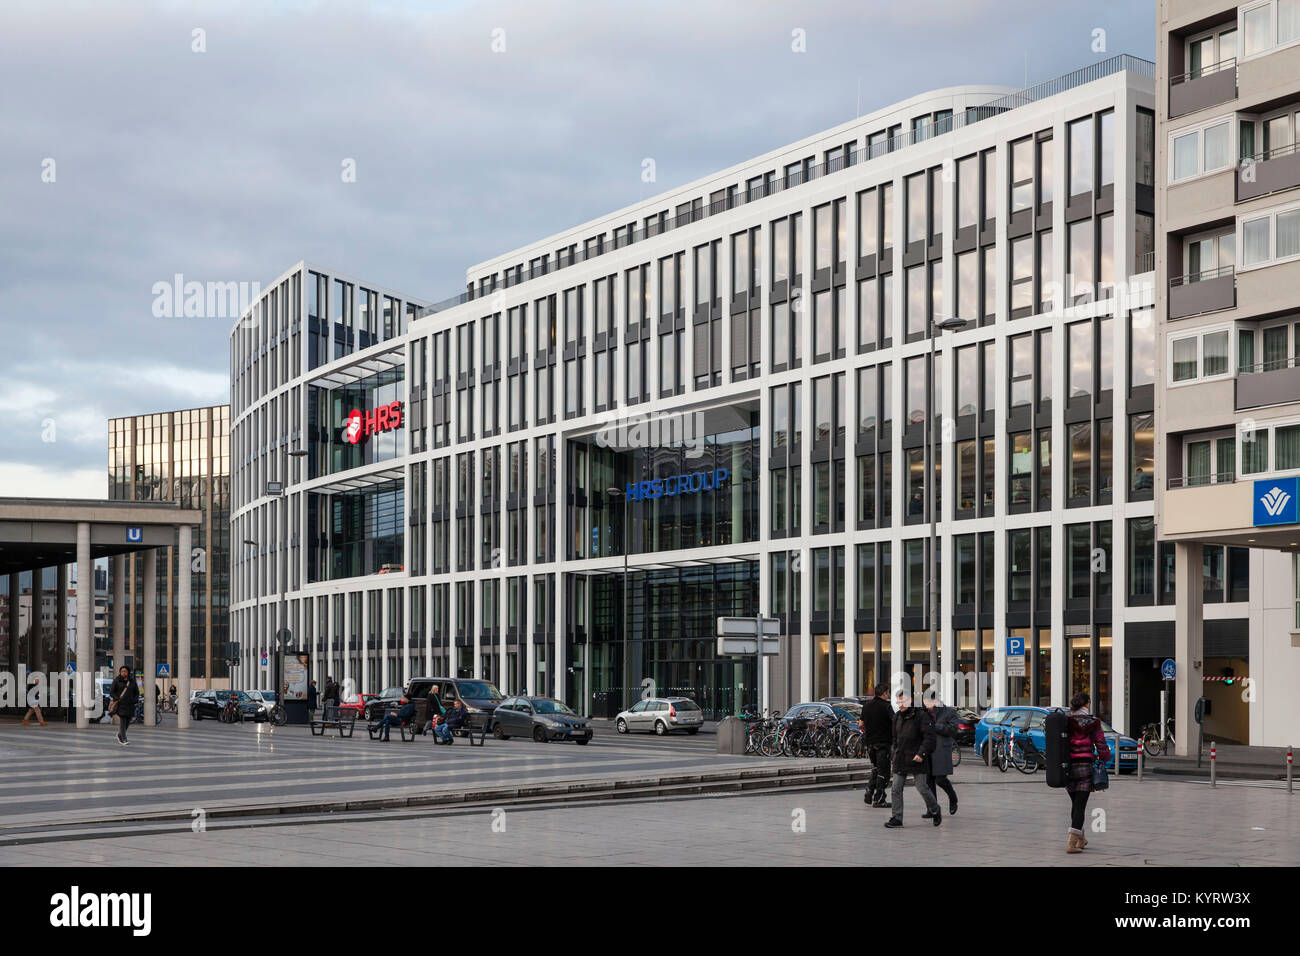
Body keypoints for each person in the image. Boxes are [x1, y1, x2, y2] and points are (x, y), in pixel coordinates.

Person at [884, 691, 941, 828]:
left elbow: (930, 738)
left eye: (902, 702)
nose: (900, 705)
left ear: (910, 701)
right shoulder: (897, 717)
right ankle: (897, 818)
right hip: (901, 757)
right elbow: (894, 739)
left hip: (917, 758)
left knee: (922, 788)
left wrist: (921, 753)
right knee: (896, 788)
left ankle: (935, 809)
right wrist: (894, 753)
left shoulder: (921, 716)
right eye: (898, 702)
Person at [1064, 691, 1111, 854]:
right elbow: (1101, 744)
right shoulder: (1094, 722)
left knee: (1075, 804)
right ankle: (1071, 843)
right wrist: (1105, 758)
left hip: (1068, 768)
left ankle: (1081, 839)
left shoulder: (1066, 721)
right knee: (1080, 806)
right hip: (1085, 767)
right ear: (1086, 704)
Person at [923, 696, 959, 817]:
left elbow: (953, 729)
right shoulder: (925, 713)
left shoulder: (949, 712)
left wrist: (936, 726)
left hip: (941, 749)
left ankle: (953, 798)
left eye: (928, 703)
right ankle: (932, 808)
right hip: (928, 749)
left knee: (940, 779)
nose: (926, 706)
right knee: (929, 781)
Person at [858, 683, 893, 807]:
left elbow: (860, 724)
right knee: (884, 772)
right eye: (888, 692)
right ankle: (879, 799)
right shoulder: (886, 706)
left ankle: (869, 790)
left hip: (870, 744)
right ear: (884, 693)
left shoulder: (866, 706)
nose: (888, 695)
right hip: (883, 743)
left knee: (876, 768)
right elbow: (894, 722)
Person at [109, 666, 139, 746]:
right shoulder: (117, 680)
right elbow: (111, 692)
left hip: (130, 704)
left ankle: (119, 734)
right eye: (122, 671)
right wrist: (117, 698)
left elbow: (136, 692)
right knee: (123, 720)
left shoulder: (132, 681)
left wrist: (135, 700)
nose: (123, 673)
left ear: (128, 672)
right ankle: (123, 739)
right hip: (121, 704)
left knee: (128, 721)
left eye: (125, 671)